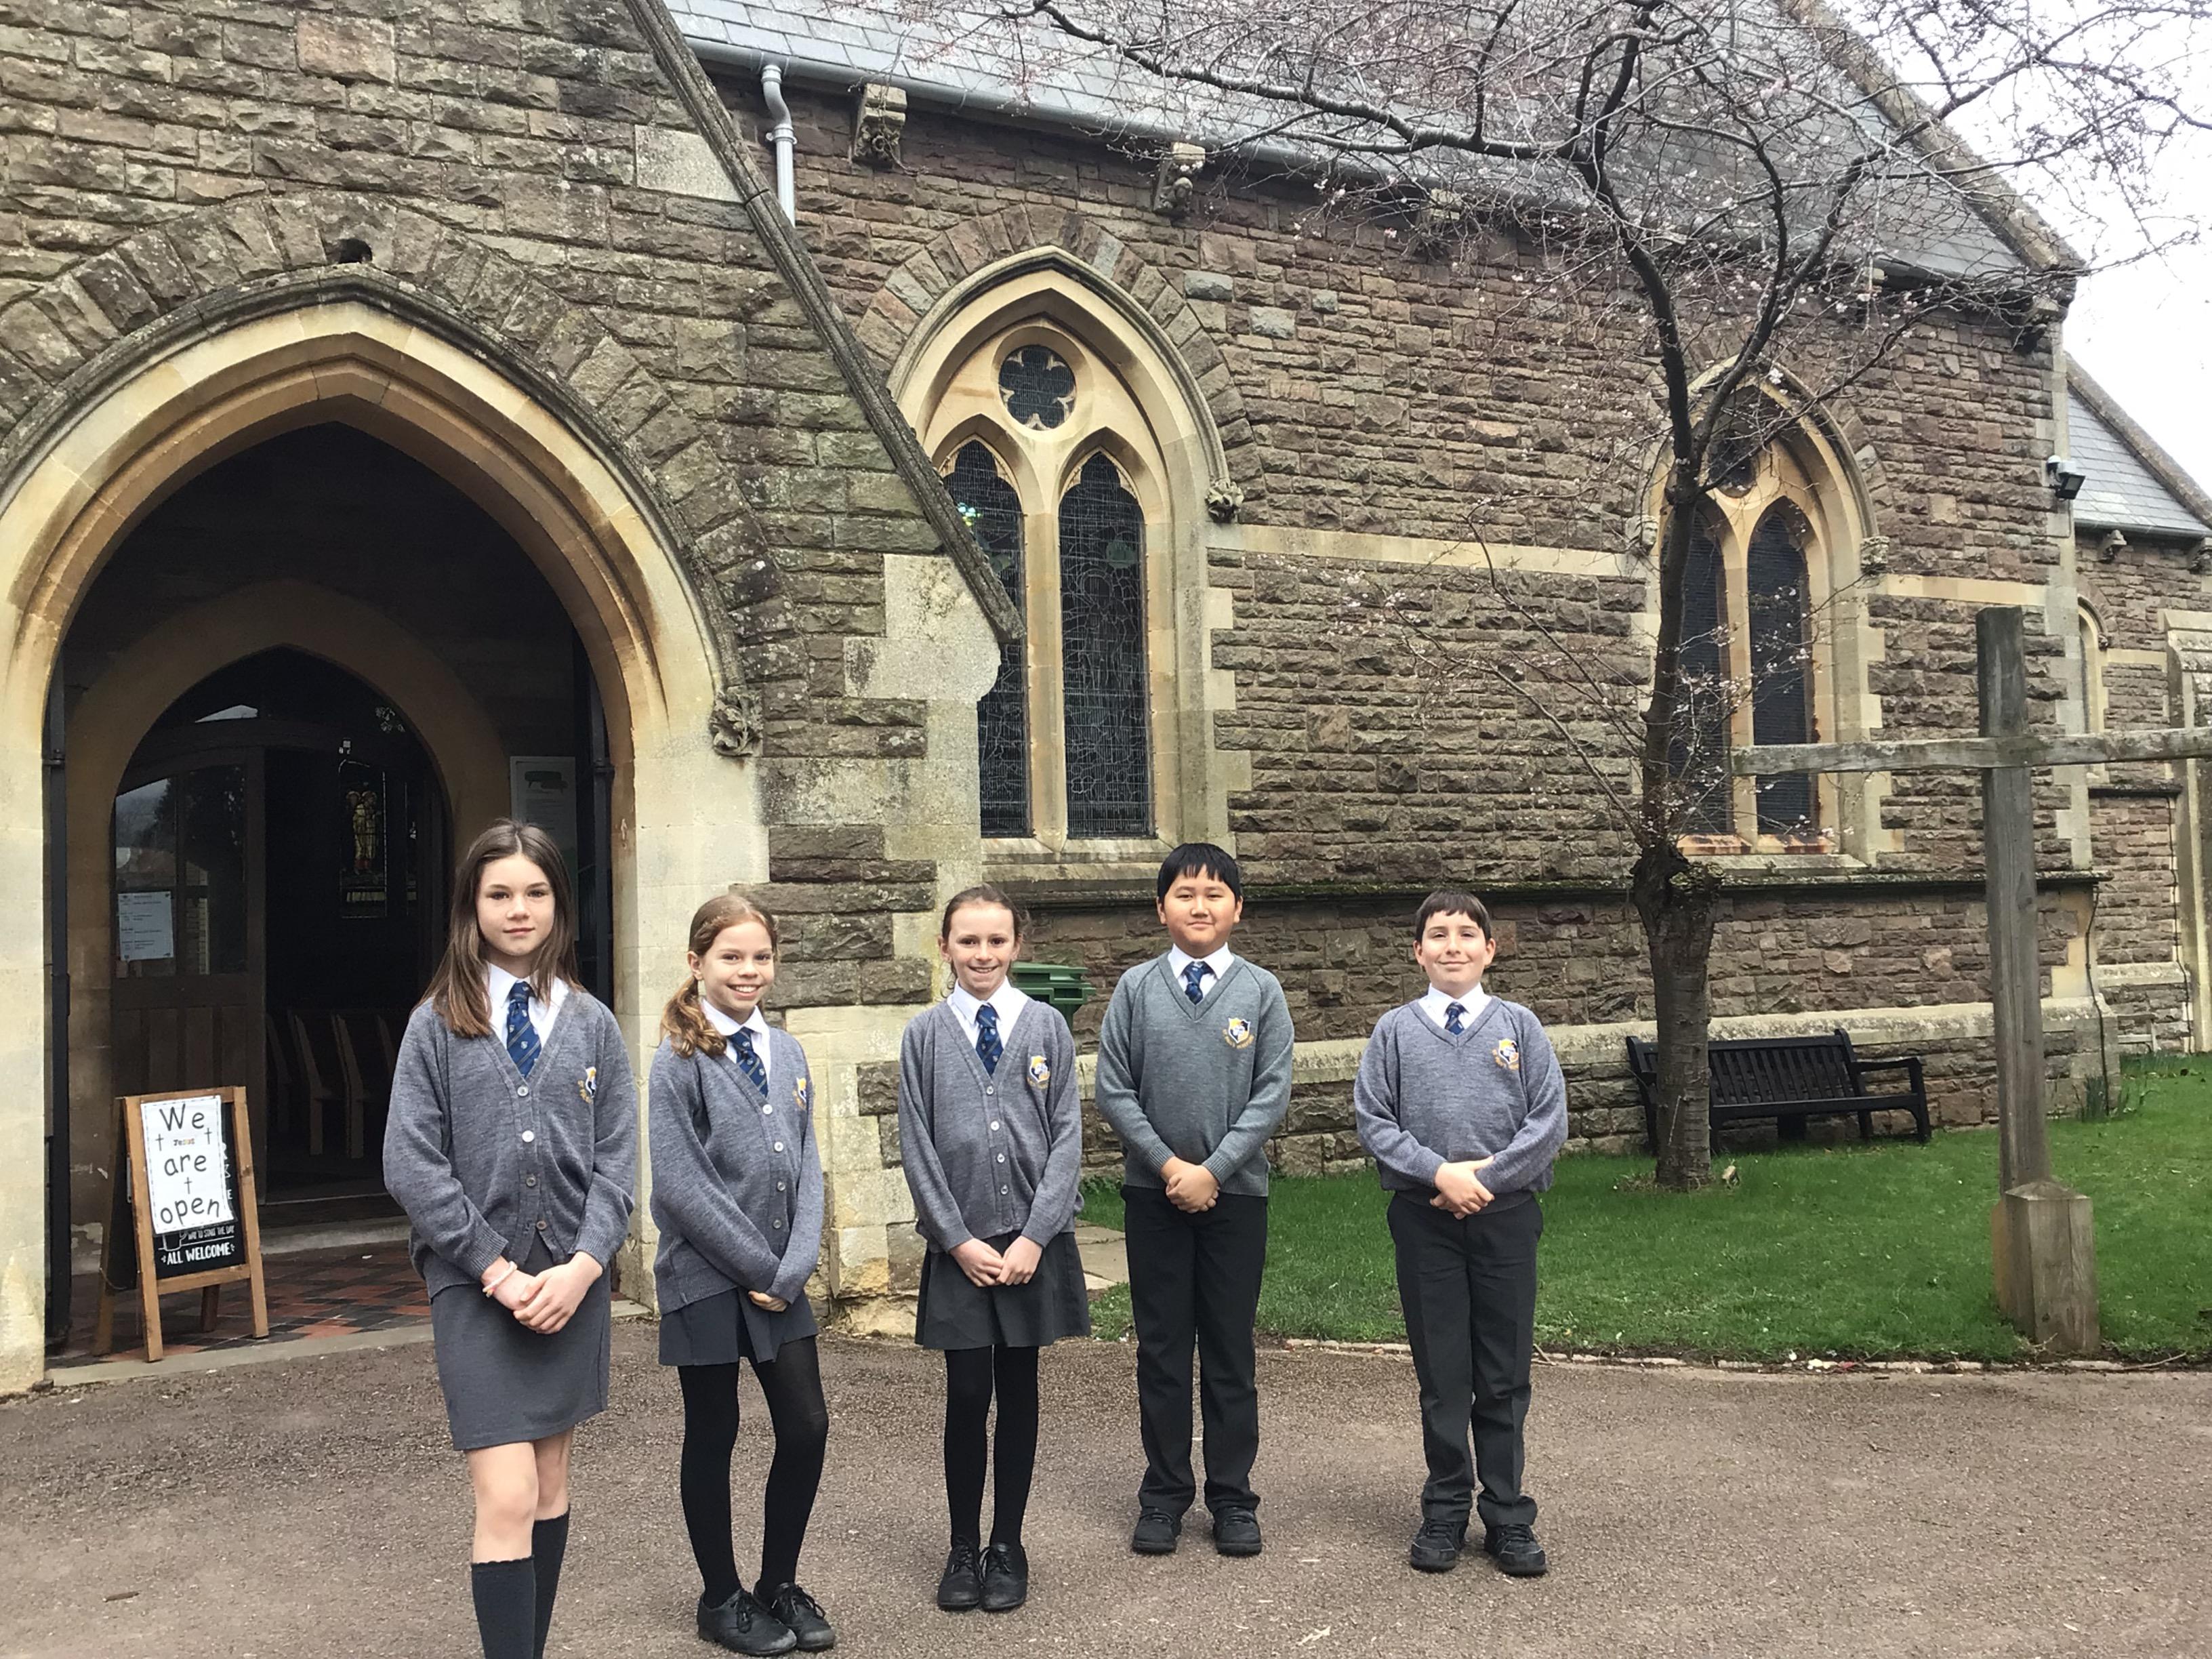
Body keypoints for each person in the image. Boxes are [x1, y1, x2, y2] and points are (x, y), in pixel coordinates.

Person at [384, 819, 637, 1659]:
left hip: (570, 1285)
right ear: (472, 906)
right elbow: (411, 1165)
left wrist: (585, 1267)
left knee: (551, 1482)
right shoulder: (435, 1024)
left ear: (559, 903)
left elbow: (617, 1161)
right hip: (476, 1285)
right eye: (499, 894)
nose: (518, 909)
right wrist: (495, 1271)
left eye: (535, 892)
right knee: (506, 1492)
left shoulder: (592, 1023)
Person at [1352, 890, 1568, 1579]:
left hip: (1506, 1218)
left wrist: (1488, 1180)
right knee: (1443, 1376)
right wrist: (1440, 1173)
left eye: (1468, 934)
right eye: (1439, 935)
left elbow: (1548, 1121)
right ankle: (1445, 1508)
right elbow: (1375, 1120)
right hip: (1426, 1220)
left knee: (1502, 1374)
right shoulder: (1394, 1031)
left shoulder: (1520, 1027)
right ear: (1418, 952)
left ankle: (1507, 1514)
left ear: (1490, 949)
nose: (1454, 946)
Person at [1094, 842, 1293, 1558]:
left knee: (1231, 1351)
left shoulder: (1261, 992)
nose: (1199, 906)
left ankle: (1233, 1498)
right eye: (1184, 893)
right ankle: (1164, 1495)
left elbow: (1272, 1093)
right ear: (1161, 908)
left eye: (1214, 894)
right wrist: (1172, 1166)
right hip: (1155, 1198)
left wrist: (1214, 1169)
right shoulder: (1136, 989)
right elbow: (1114, 1089)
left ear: (1238, 908)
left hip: (1236, 1199)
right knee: (1164, 1349)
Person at [649, 894, 834, 1655]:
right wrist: (761, 1266)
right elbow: (680, 1186)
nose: (748, 970)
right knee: (714, 1431)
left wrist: (794, 1267)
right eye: (731, 957)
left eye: (761, 956)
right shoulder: (679, 1059)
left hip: (779, 1280)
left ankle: (777, 1583)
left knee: (807, 1425)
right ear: (698, 963)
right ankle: (721, 1596)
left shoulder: (786, 1052)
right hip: (704, 1278)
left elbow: (810, 1161)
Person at [898, 885, 1088, 1616]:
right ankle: (961, 1546)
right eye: (969, 941)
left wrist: (1038, 1235)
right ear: (944, 946)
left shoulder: (1046, 1028)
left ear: (1017, 945)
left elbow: (1067, 1135)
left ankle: (1007, 1544)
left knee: (1019, 1391)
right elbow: (917, 1145)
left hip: (1031, 1245)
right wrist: (955, 1240)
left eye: (997, 941)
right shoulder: (924, 1036)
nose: (983, 954)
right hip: (963, 1247)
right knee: (967, 1393)